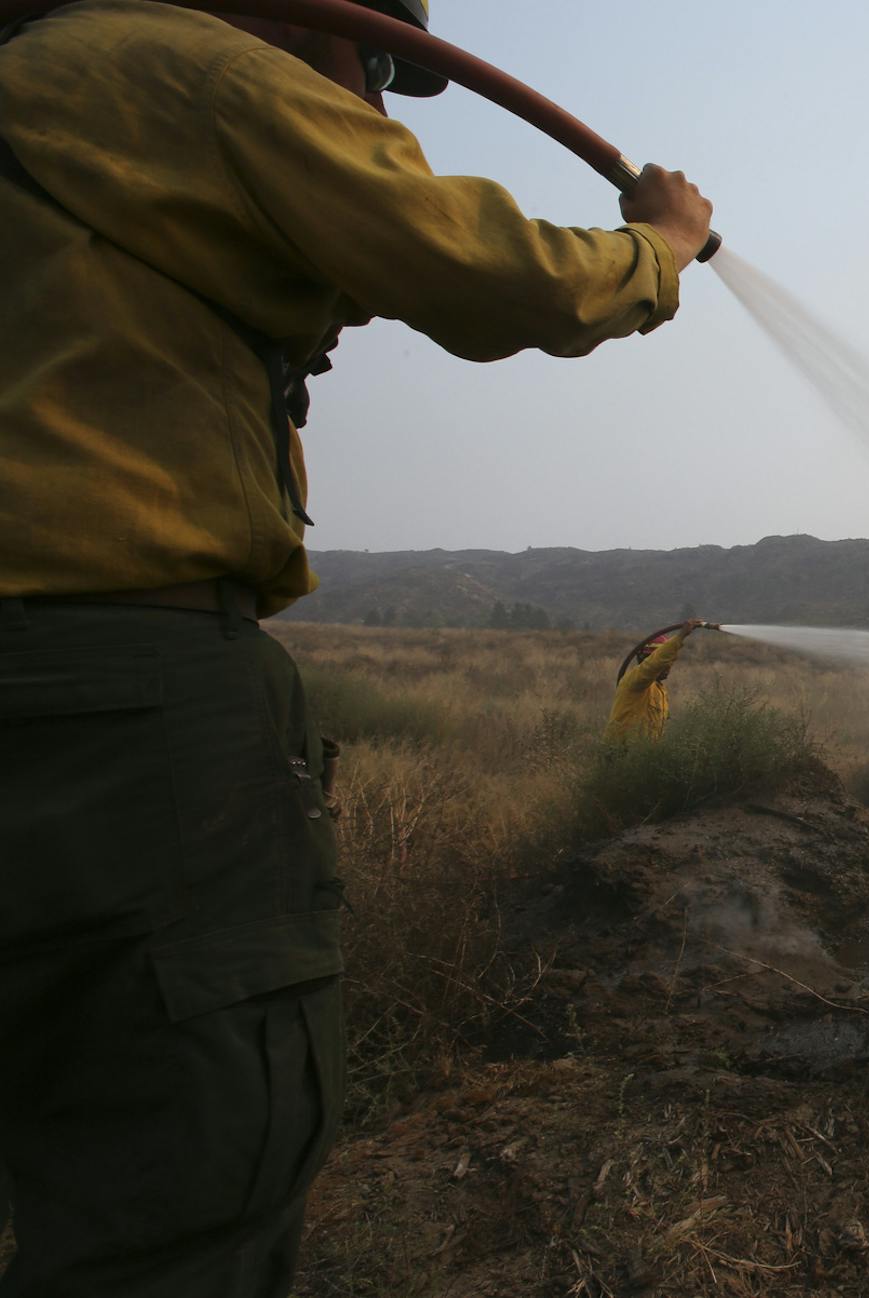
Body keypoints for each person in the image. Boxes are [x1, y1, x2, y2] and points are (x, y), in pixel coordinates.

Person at [0, 1, 713, 1293]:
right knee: (186, 1187)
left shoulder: (48, 98)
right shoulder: (195, 67)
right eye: (373, 63)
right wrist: (657, 246)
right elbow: (483, 267)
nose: (372, 111)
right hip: (121, 711)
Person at [607, 620, 719, 743]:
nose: (669, 666)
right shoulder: (634, 681)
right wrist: (680, 637)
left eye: (671, 662)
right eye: (666, 663)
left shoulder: (659, 690)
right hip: (622, 755)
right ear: (646, 659)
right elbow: (654, 664)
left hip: (643, 756)